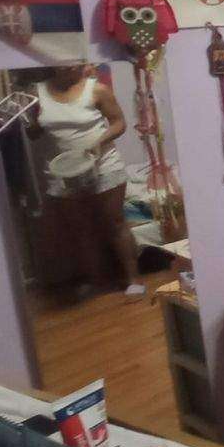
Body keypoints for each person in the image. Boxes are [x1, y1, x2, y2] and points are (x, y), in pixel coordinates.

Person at [27, 63, 137, 298]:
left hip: (104, 165)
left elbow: (119, 123)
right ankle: (97, 281)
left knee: (115, 223)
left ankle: (133, 280)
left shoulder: (97, 89)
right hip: (63, 171)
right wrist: (28, 123)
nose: (70, 65)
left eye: (74, 60)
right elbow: (34, 134)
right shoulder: (37, 92)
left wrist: (99, 142)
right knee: (81, 228)